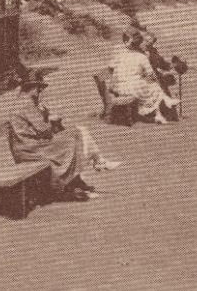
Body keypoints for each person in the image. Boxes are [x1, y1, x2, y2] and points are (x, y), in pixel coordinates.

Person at [7, 67, 117, 201]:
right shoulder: (26, 104)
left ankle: (83, 174)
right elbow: (44, 129)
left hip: (31, 145)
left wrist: (44, 112)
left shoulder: (27, 102)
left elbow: (41, 129)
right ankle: (73, 183)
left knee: (76, 133)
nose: (41, 91)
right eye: (39, 88)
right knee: (71, 140)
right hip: (29, 149)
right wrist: (49, 117)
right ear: (31, 87)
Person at [111, 32, 179, 124]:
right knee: (155, 86)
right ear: (140, 42)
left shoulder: (152, 52)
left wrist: (172, 65)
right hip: (136, 83)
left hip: (130, 83)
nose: (147, 43)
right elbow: (149, 72)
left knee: (157, 84)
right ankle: (160, 111)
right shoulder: (140, 55)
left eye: (150, 41)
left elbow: (162, 64)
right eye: (146, 41)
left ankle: (164, 112)